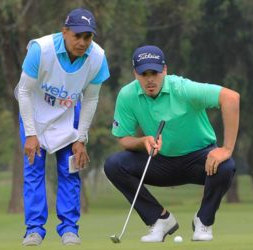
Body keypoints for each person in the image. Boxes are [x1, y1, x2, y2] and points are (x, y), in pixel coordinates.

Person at [104, 45, 240, 242]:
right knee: (114, 165)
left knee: (226, 166)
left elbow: (231, 98)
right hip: (160, 162)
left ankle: (204, 221)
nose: (150, 79)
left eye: (155, 73)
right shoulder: (127, 95)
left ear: (165, 70)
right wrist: (143, 141)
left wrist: (226, 149)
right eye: (144, 74)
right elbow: (123, 138)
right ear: (135, 74)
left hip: (199, 160)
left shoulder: (182, 88)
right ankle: (159, 220)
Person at [14, 8, 110, 246]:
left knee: (71, 170)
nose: (82, 42)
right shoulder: (41, 49)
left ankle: (69, 229)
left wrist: (81, 137)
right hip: (34, 113)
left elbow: (91, 99)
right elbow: (24, 92)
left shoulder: (97, 57)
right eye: (77, 35)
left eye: (87, 37)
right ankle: (34, 230)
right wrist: (31, 134)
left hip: (69, 114)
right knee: (34, 171)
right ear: (64, 31)